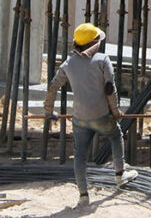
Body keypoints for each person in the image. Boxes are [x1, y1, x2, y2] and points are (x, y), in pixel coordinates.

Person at [44, 23, 136, 207]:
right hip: (101, 116)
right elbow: (110, 90)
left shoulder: (68, 64)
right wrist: (116, 112)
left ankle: (83, 195)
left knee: (79, 155)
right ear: (94, 43)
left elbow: (53, 87)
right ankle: (120, 174)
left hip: (80, 118)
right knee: (116, 135)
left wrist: (49, 111)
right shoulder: (102, 60)